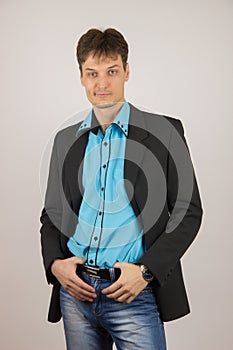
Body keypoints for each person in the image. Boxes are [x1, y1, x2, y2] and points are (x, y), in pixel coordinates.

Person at [40, 28, 203, 350]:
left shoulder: (164, 132)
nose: (102, 84)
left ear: (127, 72)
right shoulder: (66, 141)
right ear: (82, 77)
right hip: (75, 293)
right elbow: (53, 213)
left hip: (132, 290)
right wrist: (54, 265)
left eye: (112, 71)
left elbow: (188, 212)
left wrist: (145, 272)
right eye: (92, 73)